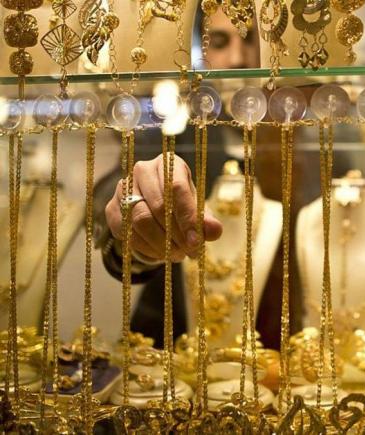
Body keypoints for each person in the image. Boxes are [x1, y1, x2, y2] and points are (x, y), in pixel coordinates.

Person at [98, 8, 260, 347]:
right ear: (201, 48)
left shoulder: (309, 140)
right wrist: (137, 225)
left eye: (250, 40)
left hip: (280, 341)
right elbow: (113, 219)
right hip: (174, 341)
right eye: (220, 41)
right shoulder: (173, 133)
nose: (237, 59)